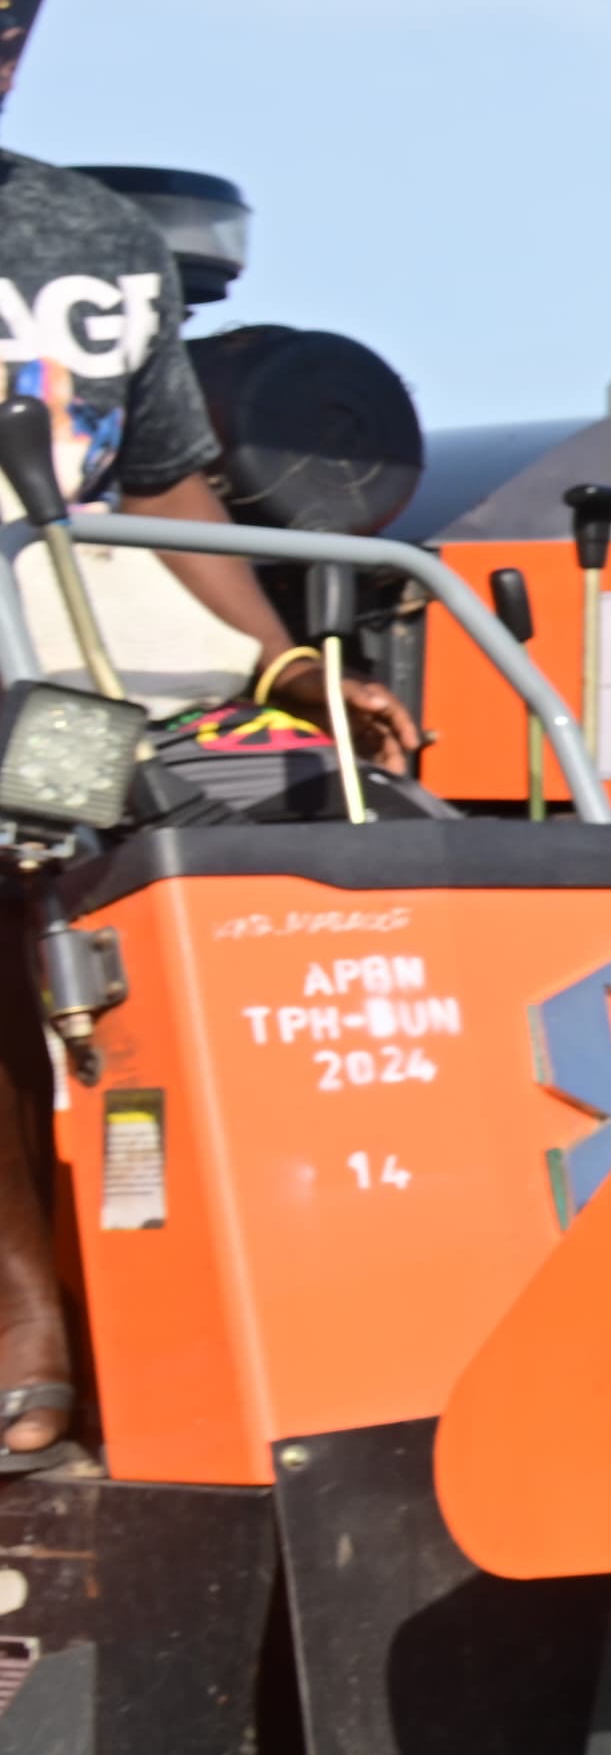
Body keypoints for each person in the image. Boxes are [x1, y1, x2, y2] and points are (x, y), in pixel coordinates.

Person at [0, 149, 411, 1471]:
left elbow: (165, 480)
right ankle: (32, 1327)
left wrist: (286, 665)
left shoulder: (86, 231)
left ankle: (242, 1313)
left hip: (54, 665)